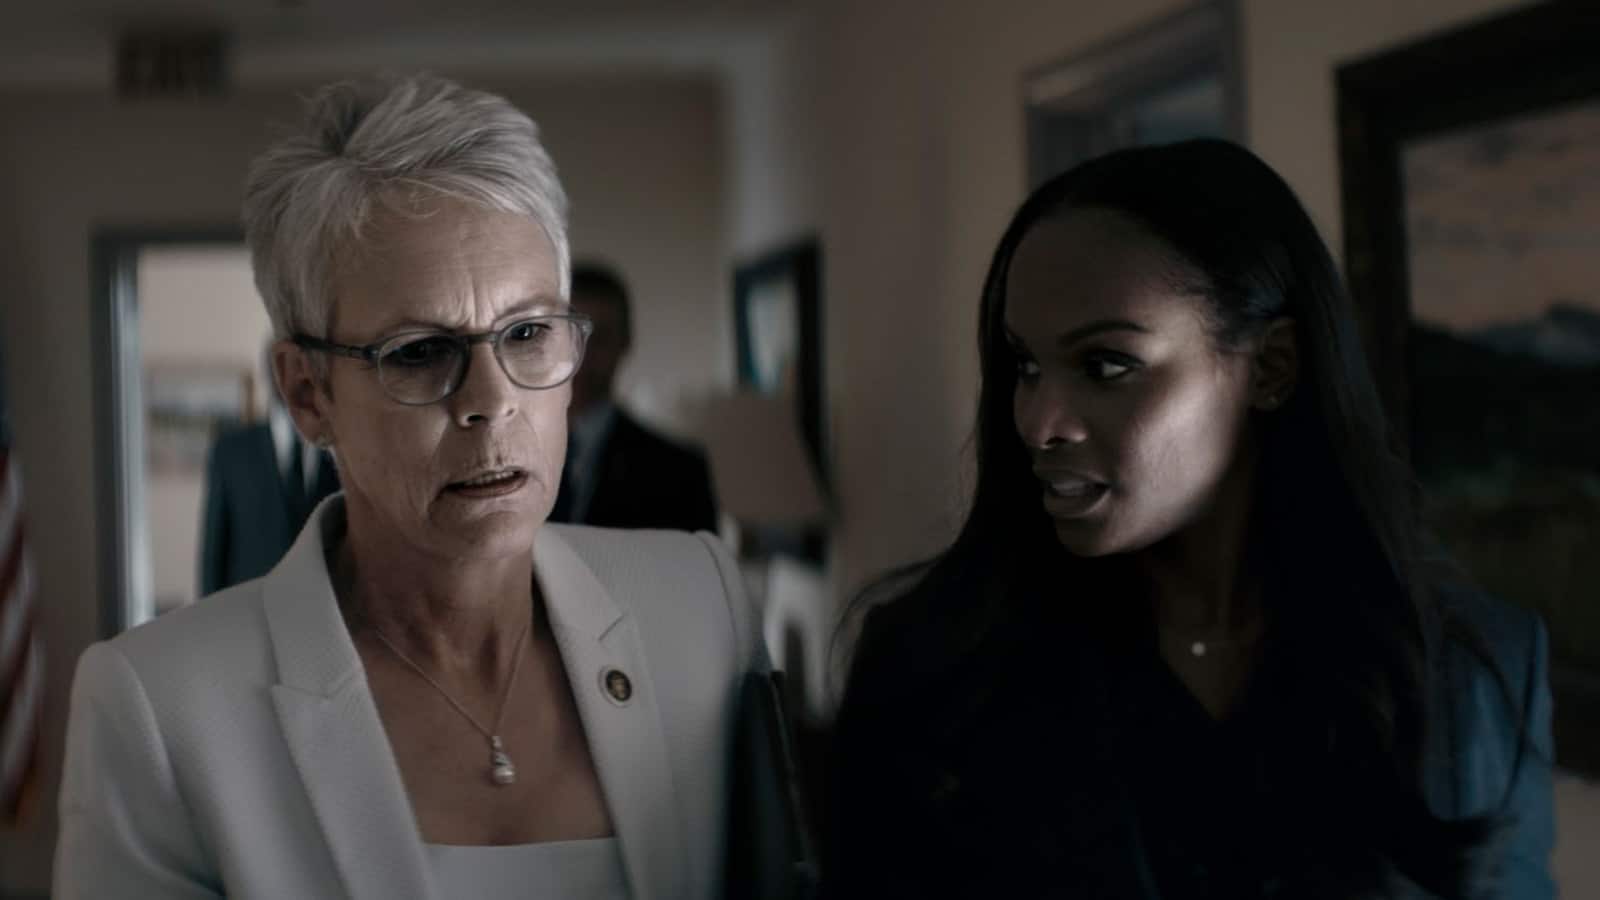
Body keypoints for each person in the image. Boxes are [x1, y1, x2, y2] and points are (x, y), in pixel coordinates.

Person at [55, 73, 764, 900]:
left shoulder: (701, 608)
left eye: (527, 333)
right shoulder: (159, 710)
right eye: (420, 352)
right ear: (307, 393)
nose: (491, 401)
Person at [825, 140, 1553, 899]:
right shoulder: (931, 666)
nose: (1038, 423)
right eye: (1026, 366)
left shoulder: (1473, 679)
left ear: (1270, 367)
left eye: (1106, 365)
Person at [548, 261, 719, 533]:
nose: (582, 354)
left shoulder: (678, 473)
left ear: (625, 342)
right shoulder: (508, 455)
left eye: (601, 337)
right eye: (571, 334)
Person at [199, 343, 340, 595]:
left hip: (325, 604)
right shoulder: (231, 451)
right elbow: (214, 554)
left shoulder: (340, 447)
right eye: (284, 365)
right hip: (248, 607)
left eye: (304, 366)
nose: (295, 377)